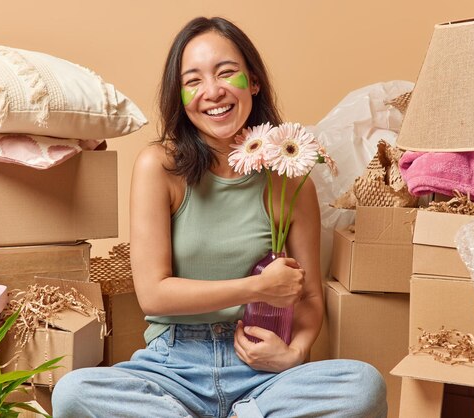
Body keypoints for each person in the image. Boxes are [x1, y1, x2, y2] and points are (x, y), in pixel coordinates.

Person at [52, 16, 387, 418]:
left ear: (254, 81)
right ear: (180, 97)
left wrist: (294, 353)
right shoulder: (160, 167)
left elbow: (311, 297)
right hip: (171, 368)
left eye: (227, 73)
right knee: (74, 391)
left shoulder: (290, 181)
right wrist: (256, 287)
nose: (212, 91)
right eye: (193, 81)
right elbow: (155, 294)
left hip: (261, 370)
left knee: (363, 384)